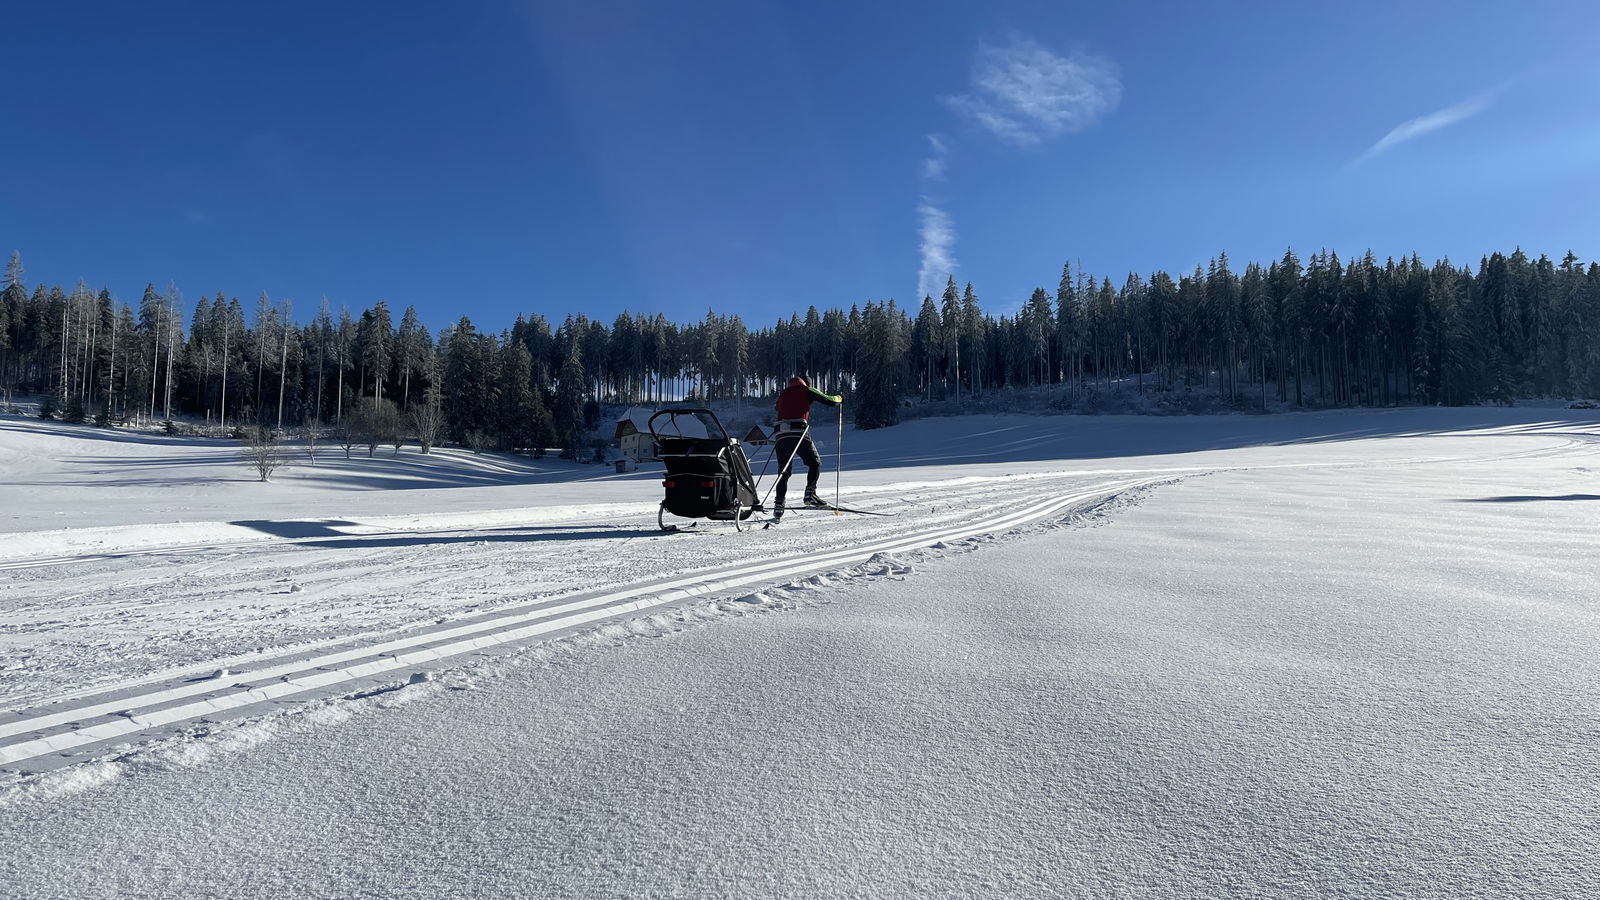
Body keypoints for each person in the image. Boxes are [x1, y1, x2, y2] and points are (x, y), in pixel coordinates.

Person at [770, 375, 841, 521]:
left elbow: (777, 407)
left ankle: (779, 505)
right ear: (807, 383)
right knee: (814, 463)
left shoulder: (784, 393)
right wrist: (840, 398)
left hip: (780, 433)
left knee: (784, 470)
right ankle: (810, 495)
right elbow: (829, 400)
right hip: (798, 431)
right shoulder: (807, 390)